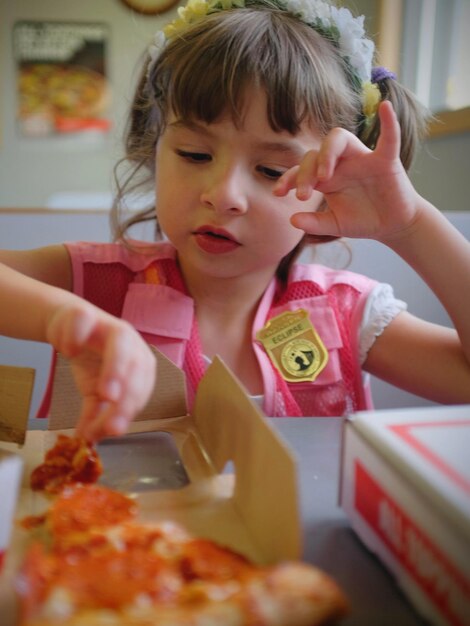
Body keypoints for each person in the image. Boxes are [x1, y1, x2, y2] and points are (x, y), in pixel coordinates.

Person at [1, 0, 470, 441]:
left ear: (328, 189)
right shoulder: (98, 285)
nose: (223, 195)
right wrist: (60, 314)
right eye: (194, 153)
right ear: (154, 150)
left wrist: (411, 226)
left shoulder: (346, 314)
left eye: (270, 170)